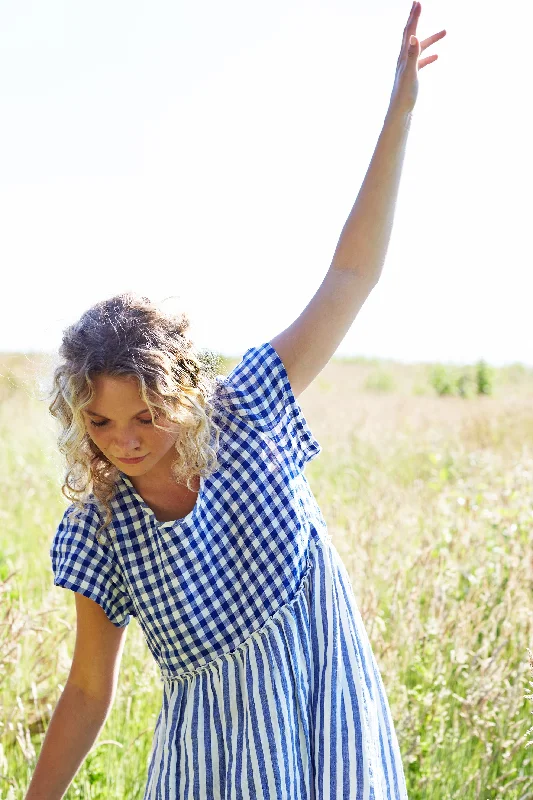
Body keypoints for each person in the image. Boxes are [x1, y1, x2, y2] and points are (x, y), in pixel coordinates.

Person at [25, 4, 446, 799]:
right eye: (102, 421)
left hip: (326, 721)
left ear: (187, 390)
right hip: (210, 763)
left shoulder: (250, 407)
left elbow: (350, 277)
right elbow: (88, 690)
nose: (125, 439)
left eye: (146, 415)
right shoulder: (101, 525)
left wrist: (399, 112)